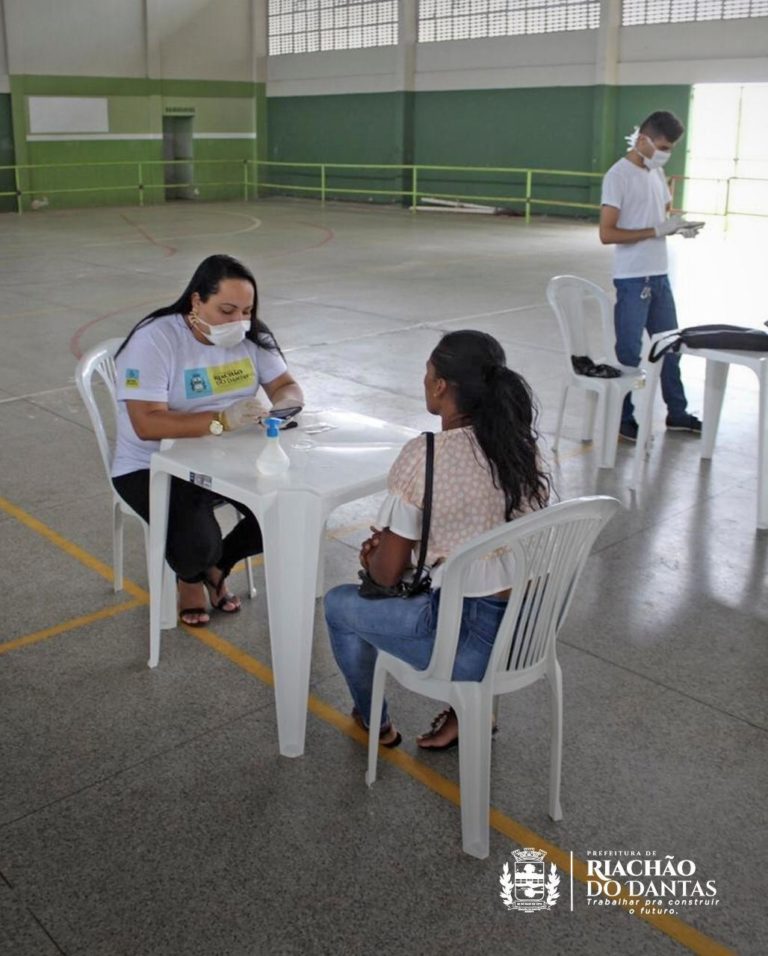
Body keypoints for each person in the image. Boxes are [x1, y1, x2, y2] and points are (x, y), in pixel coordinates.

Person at [323, 331, 550, 750]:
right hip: (528, 636)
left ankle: (374, 719)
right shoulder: (523, 450)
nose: (425, 381)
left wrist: (376, 556)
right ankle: (472, 711)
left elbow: (387, 578)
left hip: (466, 648)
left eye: (427, 374)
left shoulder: (425, 456)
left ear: (440, 385)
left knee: (338, 604)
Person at [112, 254, 303, 627]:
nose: (238, 322)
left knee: (288, 513)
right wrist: (220, 421)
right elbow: (146, 424)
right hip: (151, 464)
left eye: (246, 311)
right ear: (196, 300)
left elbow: (286, 385)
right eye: (227, 309)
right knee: (196, 542)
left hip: (226, 457)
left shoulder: (252, 338)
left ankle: (216, 567)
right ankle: (191, 575)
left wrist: (283, 406)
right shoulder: (155, 339)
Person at [600, 109, 704, 442]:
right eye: (662, 145)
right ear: (643, 138)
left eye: (671, 147)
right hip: (633, 279)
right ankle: (623, 419)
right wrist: (655, 230)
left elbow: (660, 215)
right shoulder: (618, 176)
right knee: (629, 353)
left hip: (659, 276)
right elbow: (607, 233)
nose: (666, 153)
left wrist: (676, 226)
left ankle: (677, 413)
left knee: (670, 347)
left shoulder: (656, 174)